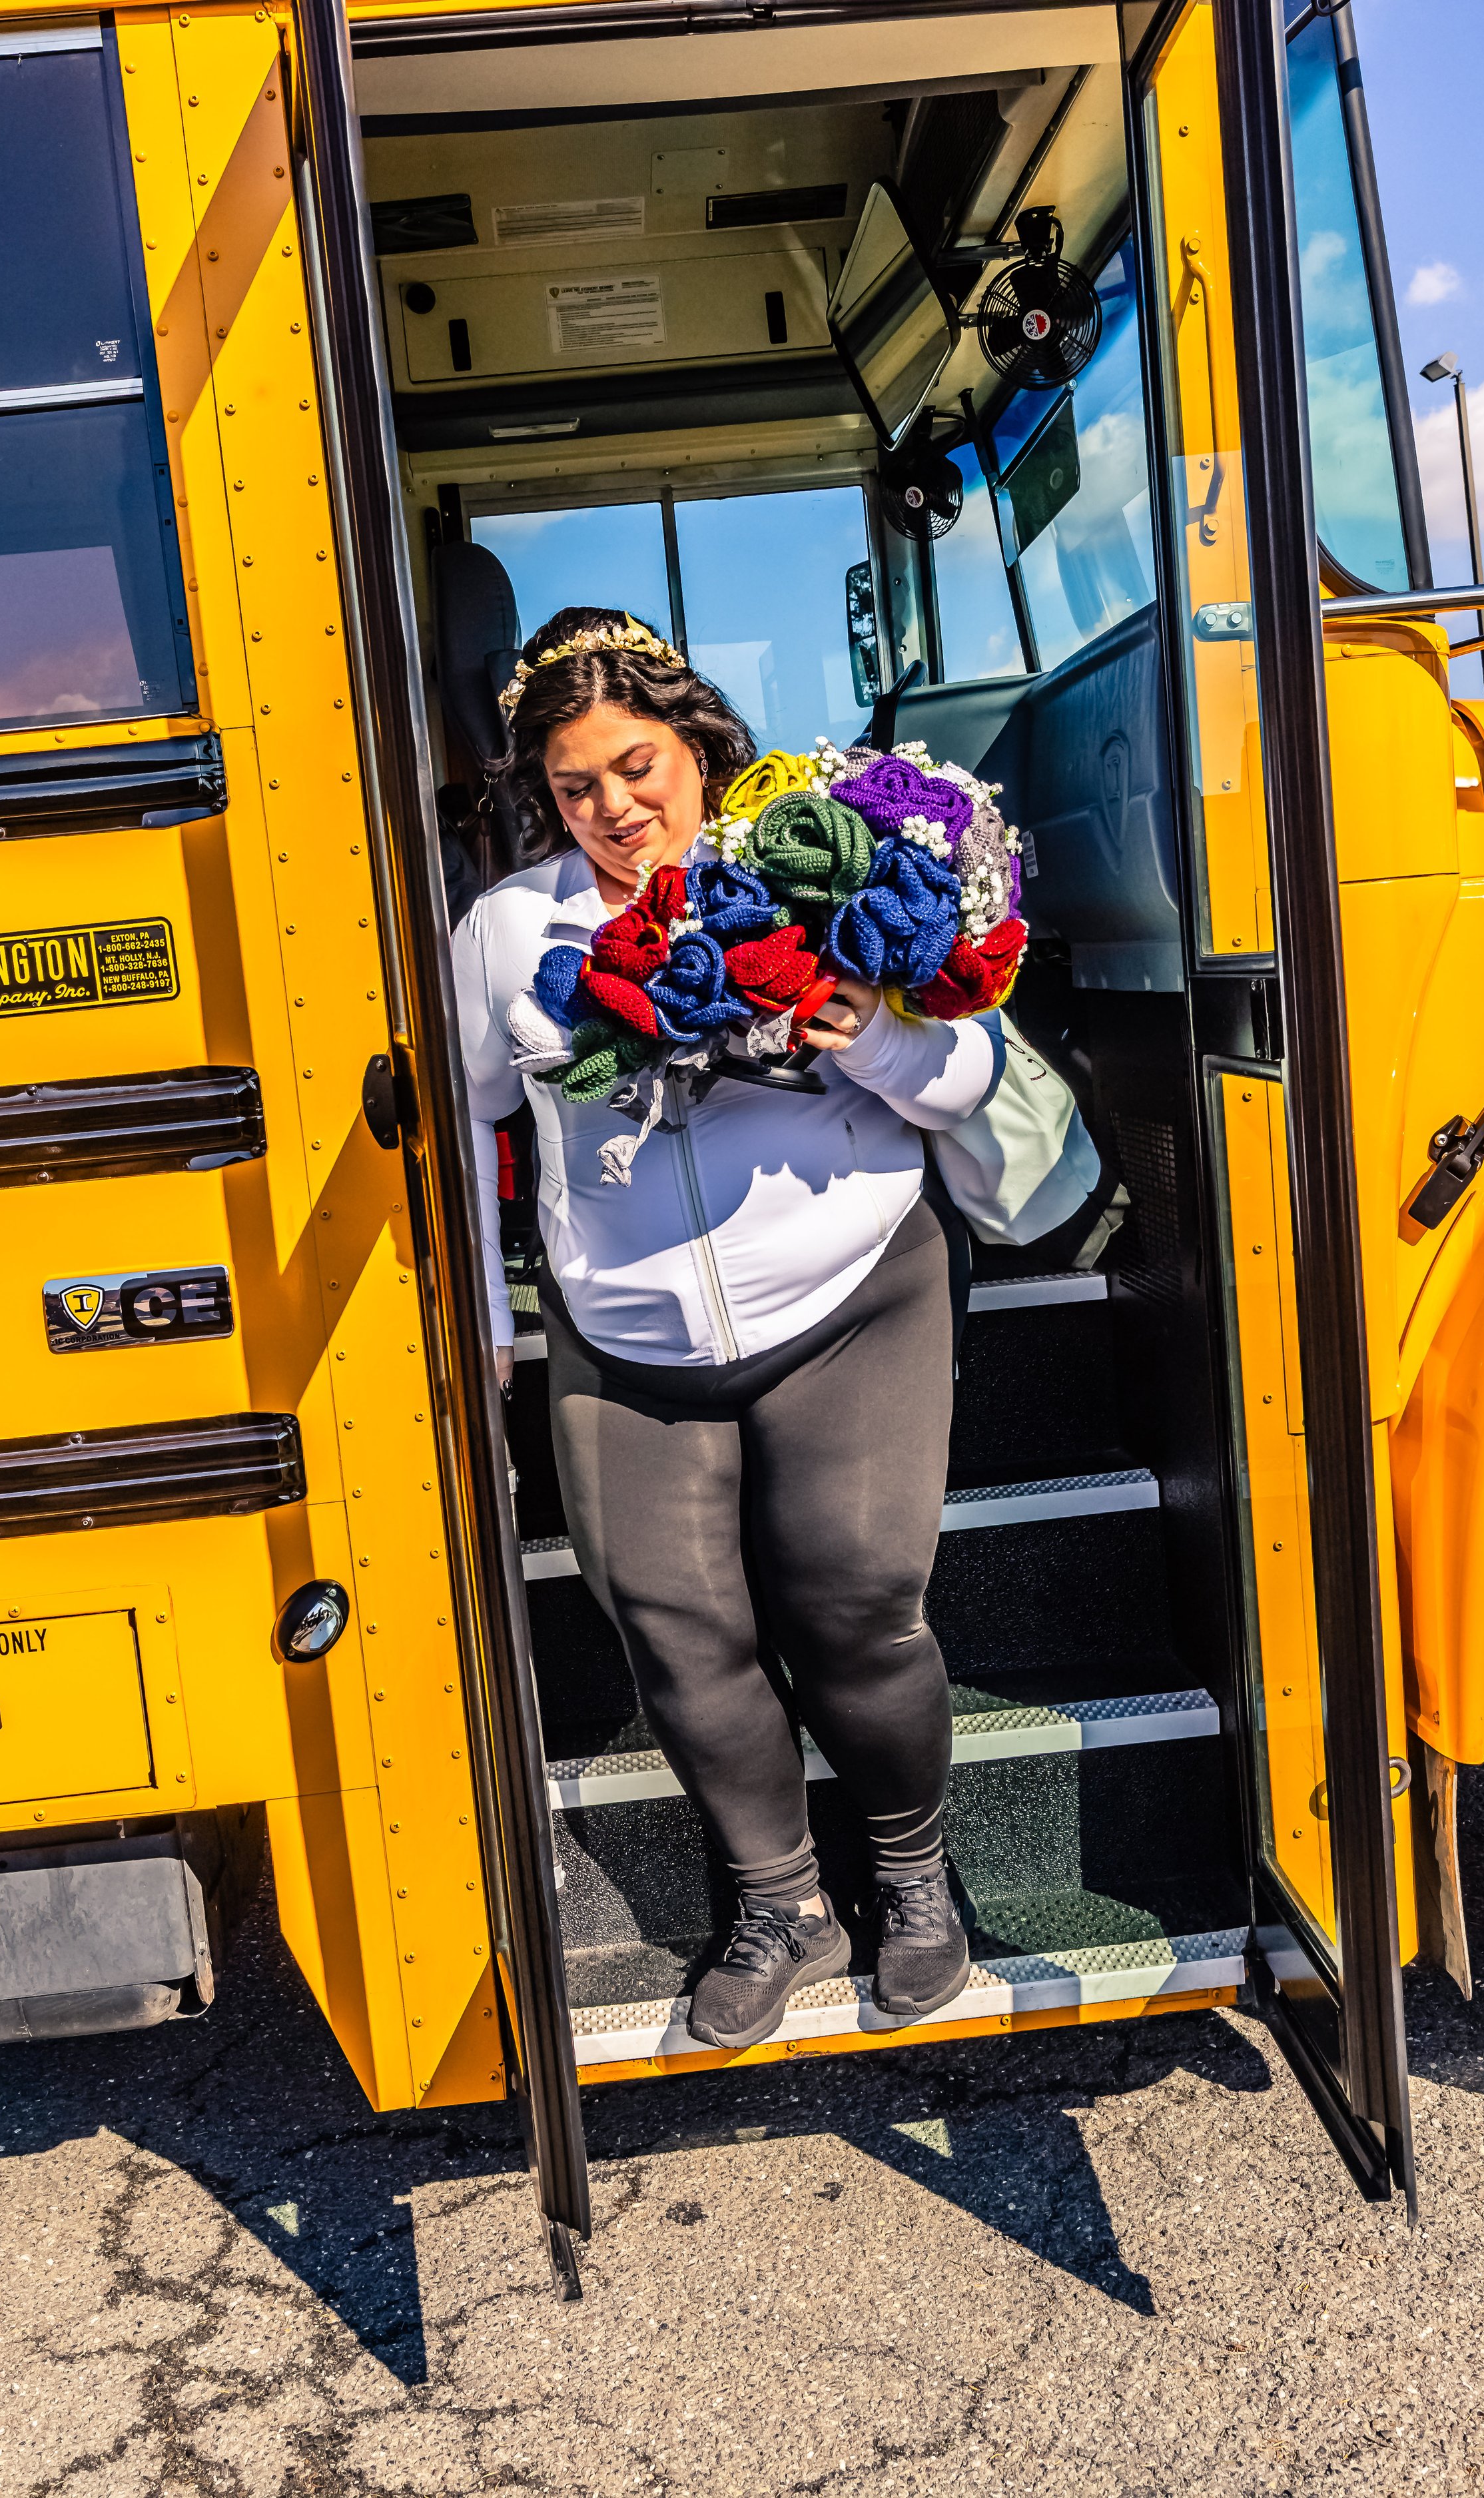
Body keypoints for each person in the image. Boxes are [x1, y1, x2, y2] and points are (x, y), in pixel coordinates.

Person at [452, 607, 998, 2052]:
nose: (616, 808)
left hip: (849, 1297)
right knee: (676, 1635)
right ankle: (779, 1903)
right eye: (575, 788)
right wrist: (463, 1308)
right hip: (624, 1337)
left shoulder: (824, 862)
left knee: (854, 1611)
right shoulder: (507, 932)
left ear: (694, 743)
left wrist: (863, 1036)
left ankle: (912, 1880)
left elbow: (966, 1071)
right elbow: (459, 1124)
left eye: (637, 765)